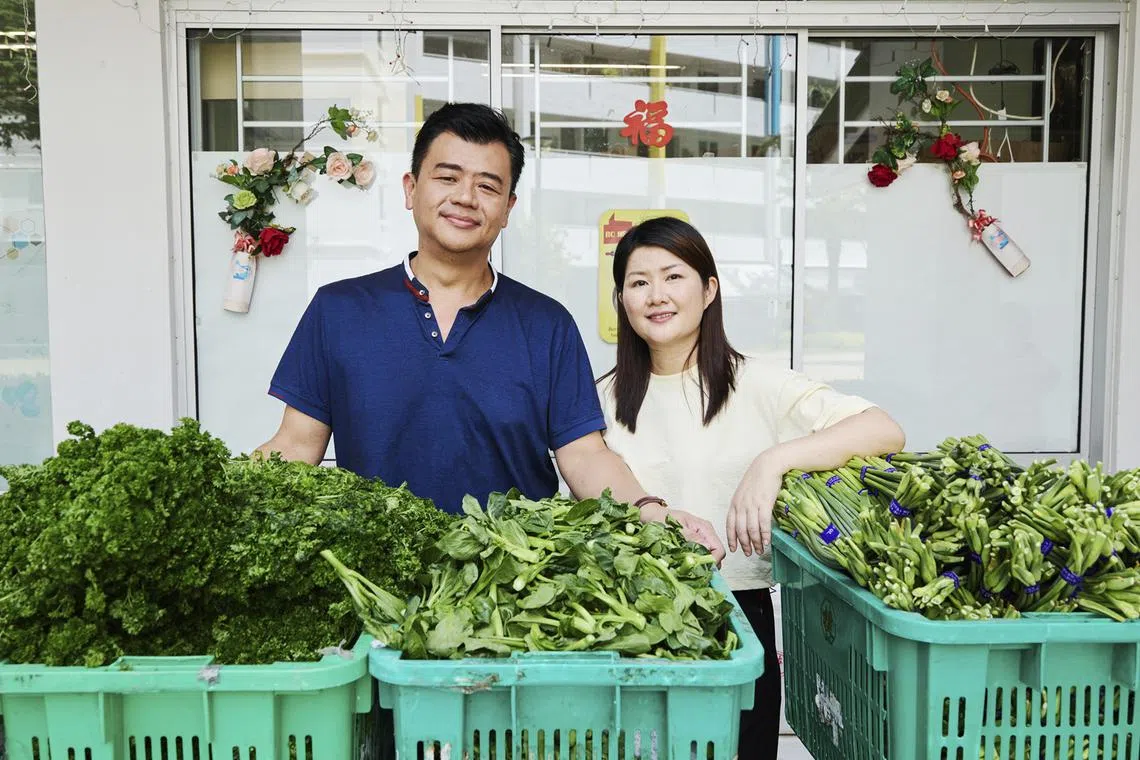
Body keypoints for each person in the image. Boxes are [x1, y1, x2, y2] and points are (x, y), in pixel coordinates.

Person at [256, 103, 723, 560]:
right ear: (410, 188)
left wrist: (649, 511)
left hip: (512, 591)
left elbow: (583, 455)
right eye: (447, 177)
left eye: (487, 186)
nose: (465, 197)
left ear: (507, 208)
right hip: (378, 585)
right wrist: (217, 490)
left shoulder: (546, 324)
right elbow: (296, 445)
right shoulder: (338, 310)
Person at [597, 216, 905, 760]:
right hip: (625, 622)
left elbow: (883, 430)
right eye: (638, 282)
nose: (656, 296)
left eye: (673, 276)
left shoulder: (757, 383)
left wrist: (773, 461)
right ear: (622, 299)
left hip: (738, 617)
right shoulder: (601, 398)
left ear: (709, 289)